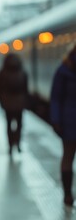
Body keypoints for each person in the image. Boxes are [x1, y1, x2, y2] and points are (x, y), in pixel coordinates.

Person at [50, 45, 76, 206]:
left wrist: (56, 120)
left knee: (67, 157)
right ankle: (67, 193)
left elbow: (55, 98)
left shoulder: (63, 69)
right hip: (69, 122)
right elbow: (56, 98)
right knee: (68, 156)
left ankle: (67, 195)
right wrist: (56, 121)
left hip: (68, 120)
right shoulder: (63, 71)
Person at [0, 53, 28, 156]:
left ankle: (10, 146)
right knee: (19, 125)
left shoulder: (3, 72)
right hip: (19, 103)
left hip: (7, 103)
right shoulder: (22, 72)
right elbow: (26, 89)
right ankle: (17, 144)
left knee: (9, 125)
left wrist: (1, 100)